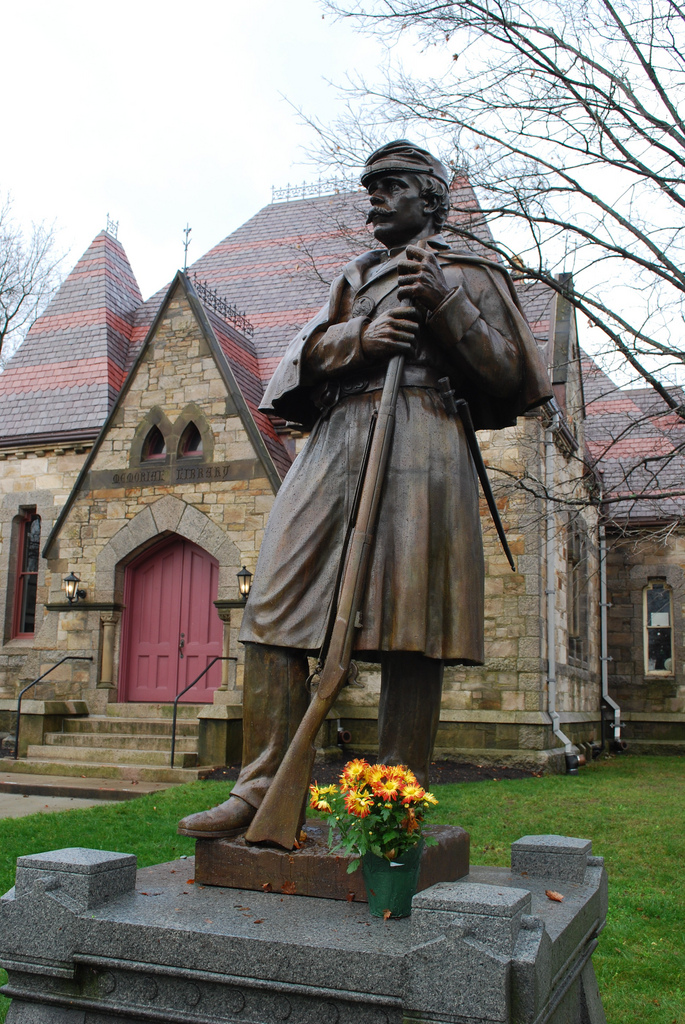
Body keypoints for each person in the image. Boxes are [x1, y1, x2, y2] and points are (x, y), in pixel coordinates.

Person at [178, 140, 551, 839]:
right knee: (272, 610)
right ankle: (259, 791)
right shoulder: (355, 275)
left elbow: (515, 378)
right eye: (368, 186)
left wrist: (446, 308)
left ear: (430, 198)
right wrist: (362, 337)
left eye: (389, 185)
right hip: (337, 435)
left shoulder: (467, 269)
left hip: (423, 436)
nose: (372, 197)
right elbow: (295, 365)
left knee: (412, 627)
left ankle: (392, 800)